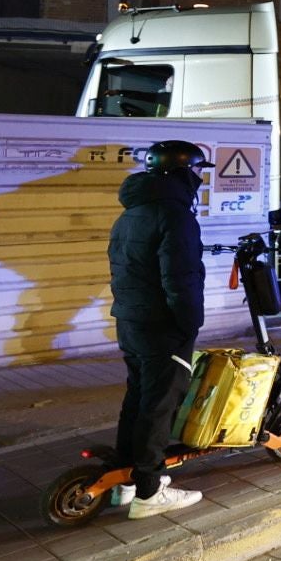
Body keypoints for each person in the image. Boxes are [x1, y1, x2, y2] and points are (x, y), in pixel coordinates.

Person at [106, 139, 211, 518]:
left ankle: (126, 481)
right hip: (162, 326)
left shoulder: (132, 212)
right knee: (158, 406)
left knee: (137, 400)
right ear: (182, 171)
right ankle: (149, 493)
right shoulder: (175, 216)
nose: (201, 178)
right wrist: (189, 324)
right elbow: (180, 279)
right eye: (198, 170)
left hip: (130, 319)